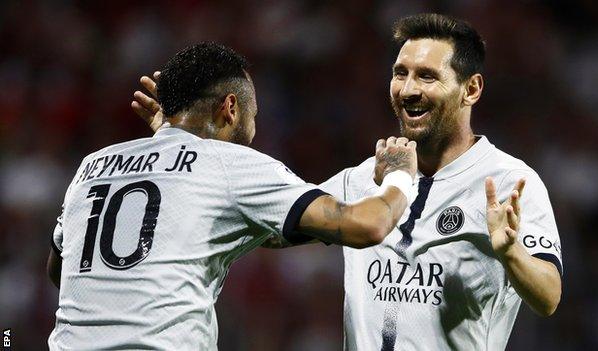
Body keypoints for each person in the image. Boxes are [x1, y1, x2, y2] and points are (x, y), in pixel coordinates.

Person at [133, 14, 562, 350]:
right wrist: (179, 147)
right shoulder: (361, 179)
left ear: (471, 89)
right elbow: (263, 226)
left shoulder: (509, 181)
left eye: (427, 76)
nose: (407, 89)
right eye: (400, 73)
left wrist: (511, 255)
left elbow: (548, 297)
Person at [46, 42, 419, 350]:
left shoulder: (92, 165)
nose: (254, 130)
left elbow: (61, 270)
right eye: (253, 115)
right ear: (231, 108)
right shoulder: (228, 163)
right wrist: (401, 175)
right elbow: (367, 225)